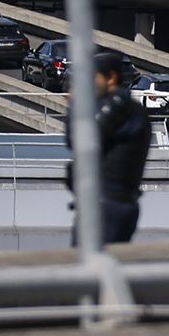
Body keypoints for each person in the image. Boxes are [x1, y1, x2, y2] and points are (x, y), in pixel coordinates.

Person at [68, 51, 151, 245]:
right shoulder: (127, 109)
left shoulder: (120, 108)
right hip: (110, 204)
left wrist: (75, 107)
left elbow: (79, 140)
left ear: (111, 77)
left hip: (107, 205)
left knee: (90, 259)